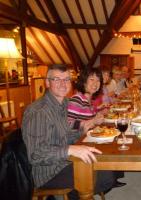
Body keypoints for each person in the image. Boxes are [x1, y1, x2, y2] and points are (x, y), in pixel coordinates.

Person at [22, 64, 115, 200]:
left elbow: (66, 135)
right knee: (104, 176)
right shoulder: (38, 111)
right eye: (56, 79)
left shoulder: (65, 103)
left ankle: (75, 192)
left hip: (65, 161)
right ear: (47, 82)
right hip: (49, 172)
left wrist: (84, 131)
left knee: (105, 164)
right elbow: (36, 154)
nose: (62, 83)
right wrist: (70, 149)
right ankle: (71, 193)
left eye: (66, 79)